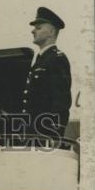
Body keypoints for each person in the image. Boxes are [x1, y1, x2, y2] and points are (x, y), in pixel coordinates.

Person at [21, 8, 71, 139]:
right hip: (31, 132)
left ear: (51, 32)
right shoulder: (41, 59)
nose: (33, 31)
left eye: (38, 27)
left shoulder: (57, 59)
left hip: (44, 135)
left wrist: (55, 134)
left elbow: (61, 102)